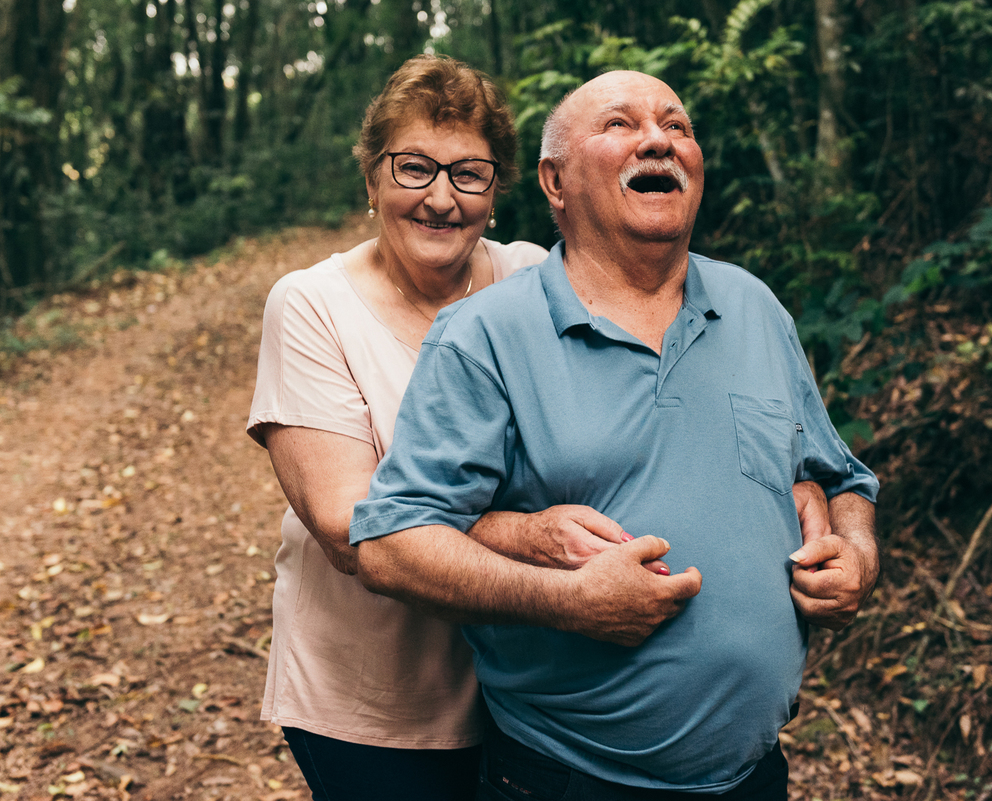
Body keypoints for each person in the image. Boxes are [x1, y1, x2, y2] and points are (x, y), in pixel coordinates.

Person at [348, 69, 880, 800]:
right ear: (555, 182)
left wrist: (856, 549)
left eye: (677, 126)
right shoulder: (486, 335)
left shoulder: (754, 306)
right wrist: (564, 600)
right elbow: (391, 544)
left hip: (754, 776)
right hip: (567, 777)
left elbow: (841, 477)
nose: (658, 139)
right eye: (620, 125)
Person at [245, 55, 582, 800]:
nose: (440, 197)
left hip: (521, 694)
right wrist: (535, 536)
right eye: (414, 167)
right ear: (371, 179)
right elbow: (350, 527)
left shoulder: (533, 280)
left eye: (469, 173)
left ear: (496, 192)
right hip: (370, 705)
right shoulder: (310, 306)